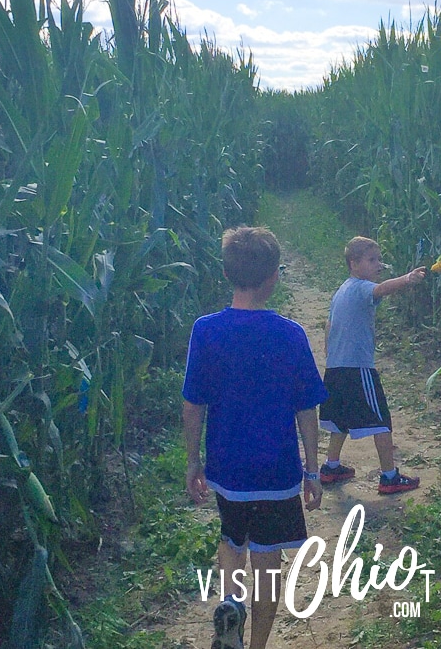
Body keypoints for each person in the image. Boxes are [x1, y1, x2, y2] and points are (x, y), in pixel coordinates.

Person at [182, 226, 326, 649]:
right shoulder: (290, 335)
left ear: (227, 274)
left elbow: (194, 404)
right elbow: (307, 409)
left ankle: (230, 602)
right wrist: (313, 470)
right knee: (267, 563)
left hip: (227, 470)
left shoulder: (206, 331)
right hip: (277, 473)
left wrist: (194, 461)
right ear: (273, 278)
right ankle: (256, 645)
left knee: (231, 537)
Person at [319, 236, 426, 494]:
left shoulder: (341, 291)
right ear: (354, 264)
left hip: (336, 368)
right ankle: (389, 477)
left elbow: (328, 326)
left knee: (340, 420)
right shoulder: (360, 287)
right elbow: (381, 290)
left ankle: (331, 467)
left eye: (379, 259)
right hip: (358, 367)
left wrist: (330, 355)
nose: (378, 265)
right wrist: (407, 279)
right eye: (372, 260)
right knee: (381, 421)